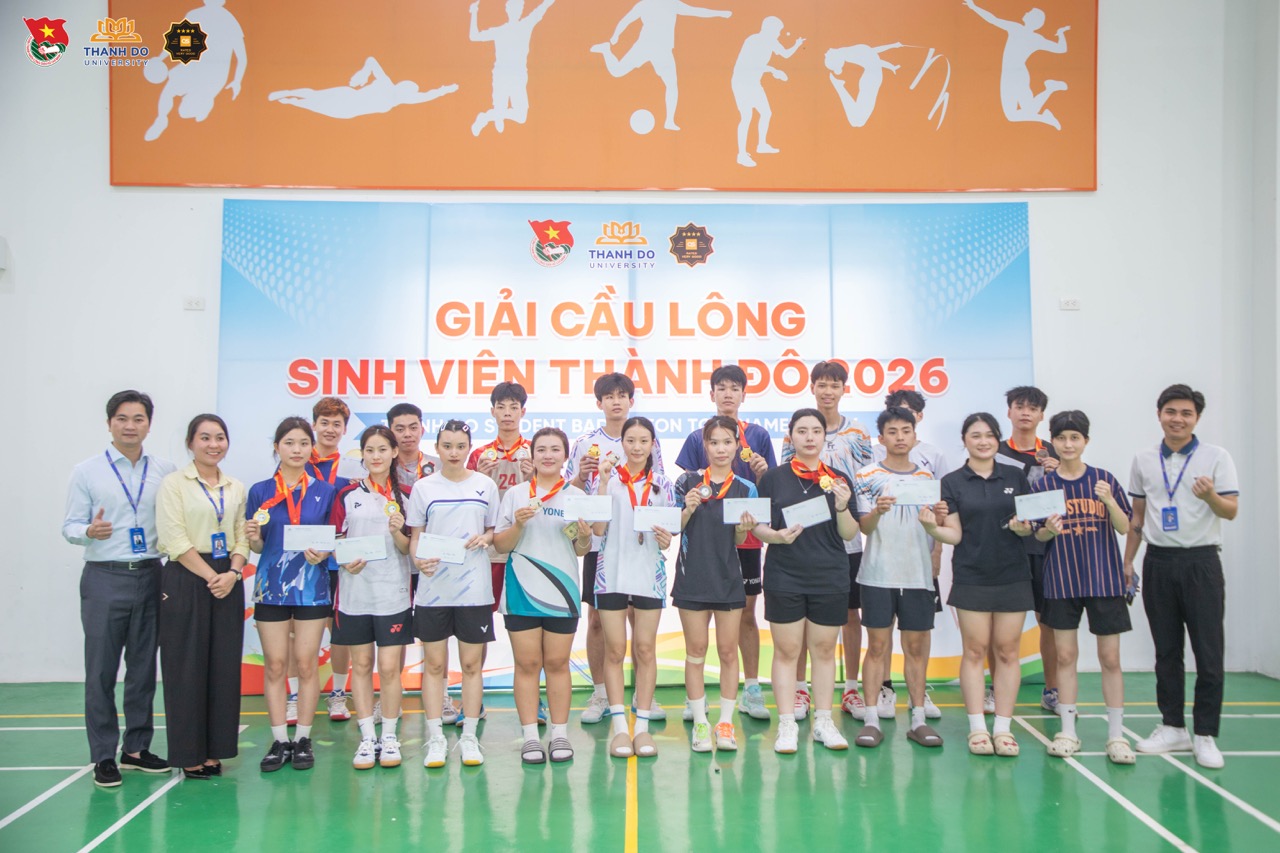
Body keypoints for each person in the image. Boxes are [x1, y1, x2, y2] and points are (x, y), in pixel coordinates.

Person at [62, 390, 176, 786]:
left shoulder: (165, 470)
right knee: (101, 670)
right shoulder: (87, 471)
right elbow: (69, 526)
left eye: (138, 418)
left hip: (152, 574)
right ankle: (102, 755)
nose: (130, 426)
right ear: (109, 423)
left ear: (149, 424)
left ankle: (136, 749)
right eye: (122, 418)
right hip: (105, 576)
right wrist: (88, 531)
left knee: (143, 668)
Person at [1126, 385, 1238, 769]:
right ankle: (1173, 726)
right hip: (1158, 562)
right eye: (1170, 411)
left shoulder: (1216, 457)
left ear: (1197, 418)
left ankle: (1205, 734)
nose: (1177, 419)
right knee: (1167, 652)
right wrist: (1128, 562)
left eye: (1186, 413)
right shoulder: (1143, 459)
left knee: (1209, 653)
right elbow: (1137, 517)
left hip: (1201, 562)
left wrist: (1210, 497)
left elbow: (1231, 510)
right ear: (1159, 414)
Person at [921, 413, 1034, 757]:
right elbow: (955, 534)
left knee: (1007, 651)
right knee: (974, 651)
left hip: (1013, 575)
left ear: (997, 439)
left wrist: (1025, 528)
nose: (983, 441)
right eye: (975, 435)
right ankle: (978, 729)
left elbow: (1029, 524)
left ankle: (1003, 728)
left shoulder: (1016, 476)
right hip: (971, 575)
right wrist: (932, 528)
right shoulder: (953, 482)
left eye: (989, 435)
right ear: (965, 440)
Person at [1032, 411, 1135, 763]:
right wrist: (1048, 530)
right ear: (1053, 442)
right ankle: (1068, 732)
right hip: (1062, 580)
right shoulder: (1043, 486)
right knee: (1065, 657)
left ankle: (1116, 736)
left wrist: (1109, 501)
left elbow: (1124, 526)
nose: (1068, 444)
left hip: (1104, 581)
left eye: (1075, 437)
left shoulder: (1104, 480)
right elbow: (1037, 534)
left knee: (1111, 659)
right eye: (1061, 438)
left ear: (1085, 441)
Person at [674, 364, 775, 722]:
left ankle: (751, 688)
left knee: (746, 614)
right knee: (699, 638)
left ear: (744, 394)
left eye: (735, 388)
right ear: (712, 393)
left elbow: (768, 489)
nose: (728, 394)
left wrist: (762, 473)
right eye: (722, 388)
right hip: (705, 540)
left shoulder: (759, 435)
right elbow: (688, 487)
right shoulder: (696, 437)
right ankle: (696, 700)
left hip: (745, 537)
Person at [566, 373, 667, 724]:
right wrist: (583, 475)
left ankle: (642, 693)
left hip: (639, 544)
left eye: (622, 395)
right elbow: (570, 491)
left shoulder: (648, 439)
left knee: (640, 623)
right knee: (598, 620)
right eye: (609, 396)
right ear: (599, 403)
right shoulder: (585, 443)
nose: (616, 401)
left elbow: (657, 489)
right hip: (600, 543)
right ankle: (600, 694)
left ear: (631, 401)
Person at [757, 408, 859, 753]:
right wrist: (776, 536)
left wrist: (842, 507)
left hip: (829, 576)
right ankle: (787, 724)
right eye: (802, 431)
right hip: (784, 575)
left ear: (824, 437)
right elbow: (758, 527)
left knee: (824, 651)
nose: (810, 437)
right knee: (787, 651)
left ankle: (823, 722)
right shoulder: (773, 478)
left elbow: (849, 534)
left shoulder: (838, 479)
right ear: (791, 437)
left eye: (816, 430)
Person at [155, 414, 248, 779]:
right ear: (190, 443)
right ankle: (189, 753)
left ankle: (215, 750)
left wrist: (233, 573)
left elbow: (242, 535)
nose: (213, 445)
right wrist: (213, 577)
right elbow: (174, 539)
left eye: (220, 437)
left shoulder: (235, 487)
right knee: (186, 667)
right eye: (205, 437)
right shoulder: (174, 484)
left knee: (223, 668)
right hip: (187, 576)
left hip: (228, 577)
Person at [245, 417, 339, 772]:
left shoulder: (325, 491)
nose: (296, 450)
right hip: (271, 587)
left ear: (311, 448)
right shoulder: (259, 491)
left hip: (311, 587)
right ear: (277, 447)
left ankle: (302, 738)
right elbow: (257, 546)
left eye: (303, 443)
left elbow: (332, 539)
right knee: (275, 664)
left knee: (306, 663)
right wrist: (254, 537)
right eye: (289, 443)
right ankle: (278, 740)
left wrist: (324, 552)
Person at [493, 427, 591, 764]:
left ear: (565, 456)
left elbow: (581, 549)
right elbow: (501, 545)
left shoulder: (576, 495)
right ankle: (531, 738)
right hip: (521, 590)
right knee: (527, 664)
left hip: (563, 592)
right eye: (541, 450)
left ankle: (560, 734)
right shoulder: (516, 494)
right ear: (532, 456)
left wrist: (585, 536)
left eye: (555, 449)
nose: (548, 455)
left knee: (557, 664)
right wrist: (518, 525)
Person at [782, 361, 872, 721]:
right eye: (822, 384)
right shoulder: (796, 432)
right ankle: (800, 689)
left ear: (844, 389)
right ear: (812, 388)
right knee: (803, 619)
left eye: (835, 385)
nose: (828, 391)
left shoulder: (858, 434)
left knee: (850, 613)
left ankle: (850, 688)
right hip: (806, 538)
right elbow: (788, 483)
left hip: (845, 538)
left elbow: (866, 481)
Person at [407, 420, 499, 768]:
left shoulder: (485, 485)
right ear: (437, 448)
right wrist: (419, 559)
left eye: (461, 446)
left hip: (474, 590)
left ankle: (470, 738)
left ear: (469, 448)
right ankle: (435, 740)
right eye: (447, 446)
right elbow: (416, 536)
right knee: (434, 665)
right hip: (433, 591)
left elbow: (492, 530)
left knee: (472, 665)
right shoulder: (423, 488)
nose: (454, 453)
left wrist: (485, 539)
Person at [852, 407, 946, 749]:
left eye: (906, 431)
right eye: (892, 432)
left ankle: (918, 719)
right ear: (881, 438)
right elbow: (864, 527)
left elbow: (936, 528)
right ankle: (872, 719)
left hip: (917, 575)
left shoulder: (927, 479)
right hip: (877, 574)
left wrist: (938, 519)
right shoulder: (866, 476)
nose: (900, 437)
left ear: (915, 435)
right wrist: (877, 511)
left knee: (916, 648)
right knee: (877, 647)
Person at [330, 426, 413, 770]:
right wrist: (344, 560)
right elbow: (336, 542)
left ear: (394, 452)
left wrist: (397, 532)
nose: (376, 456)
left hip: (393, 594)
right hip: (355, 594)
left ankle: (389, 736)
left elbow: (410, 549)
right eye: (369, 450)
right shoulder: (347, 494)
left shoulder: (408, 495)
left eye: (382, 449)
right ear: (362, 455)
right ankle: (367, 738)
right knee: (361, 666)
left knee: (390, 668)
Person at [673, 416, 758, 752]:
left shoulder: (746, 488)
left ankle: (725, 723)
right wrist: (687, 509)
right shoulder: (687, 482)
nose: (721, 449)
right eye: (714, 442)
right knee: (695, 652)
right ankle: (700, 723)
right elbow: (674, 529)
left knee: (727, 651)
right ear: (704, 446)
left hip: (728, 579)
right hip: (692, 577)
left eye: (727, 442)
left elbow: (738, 539)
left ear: (737, 446)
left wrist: (743, 529)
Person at [591, 416, 675, 758]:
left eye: (644, 441)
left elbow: (669, 535)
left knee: (645, 649)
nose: (637, 447)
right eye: (631, 441)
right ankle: (619, 730)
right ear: (621, 444)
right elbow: (597, 530)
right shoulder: (606, 480)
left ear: (653, 444)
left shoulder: (663, 484)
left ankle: (641, 728)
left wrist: (667, 539)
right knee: (614, 650)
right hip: (610, 573)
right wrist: (602, 482)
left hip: (648, 574)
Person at [870, 389, 949, 721]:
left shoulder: (932, 458)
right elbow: (864, 518)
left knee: (918, 635)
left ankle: (919, 693)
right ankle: (883, 689)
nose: (900, 434)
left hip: (919, 561)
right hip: (882, 563)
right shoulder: (871, 460)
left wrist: (937, 550)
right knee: (880, 635)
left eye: (909, 419)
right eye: (894, 420)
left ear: (918, 422)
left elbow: (942, 510)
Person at [467, 382, 539, 726]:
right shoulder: (479, 455)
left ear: (523, 412)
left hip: (525, 551)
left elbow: (551, 494)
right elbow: (464, 499)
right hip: (487, 552)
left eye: (514, 407)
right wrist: (476, 478)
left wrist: (534, 478)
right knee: (477, 627)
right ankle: (473, 700)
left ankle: (536, 701)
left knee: (531, 627)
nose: (508, 413)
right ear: (492, 411)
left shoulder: (536, 452)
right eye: (501, 407)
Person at [997, 385, 1060, 714]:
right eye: (1019, 406)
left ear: (1041, 415)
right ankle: (995, 688)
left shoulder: (1054, 452)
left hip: (1045, 547)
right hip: (1006, 547)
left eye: (1032, 408)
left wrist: (1057, 475)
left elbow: (1069, 496)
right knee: (999, 623)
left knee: (1048, 622)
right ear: (1009, 411)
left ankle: (1052, 690)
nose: (1025, 413)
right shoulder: (994, 451)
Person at [386, 401, 450, 722]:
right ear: (390, 432)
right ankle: (390, 698)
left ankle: (444, 695)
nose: (407, 434)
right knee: (394, 634)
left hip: (432, 563)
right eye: (399, 429)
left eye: (413, 427)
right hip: (395, 562)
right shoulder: (381, 466)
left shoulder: (440, 465)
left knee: (435, 635)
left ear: (423, 429)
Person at [306, 396, 364, 724]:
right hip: (306, 558)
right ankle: (296, 695)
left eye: (337, 424)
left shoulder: (352, 466)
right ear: (314, 424)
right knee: (300, 631)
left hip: (338, 560)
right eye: (324, 422)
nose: (330, 429)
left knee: (339, 630)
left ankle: (338, 693)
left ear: (344, 429)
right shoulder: (298, 460)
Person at [590, 0, 732, 131]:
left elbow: (695, 11)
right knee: (617, 71)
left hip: (662, 50)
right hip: (644, 46)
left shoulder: (671, 3)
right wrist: (615, 36)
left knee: (672, 84)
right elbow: (626, 20)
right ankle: (606, 50)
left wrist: (720, 13)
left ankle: (669, 121)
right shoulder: (645, 4)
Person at [963, 0, 1071, 130]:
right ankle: (1050, 92)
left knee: (1018, 114)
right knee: (1018, 113)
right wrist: (1061, 34)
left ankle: (1049, 98)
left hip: (1015, 75)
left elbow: (993, 19)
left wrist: (974, 7)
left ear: (1032, 19)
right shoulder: (1034, 37)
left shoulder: (1017, 29)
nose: (1026, 12)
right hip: (1013, 74)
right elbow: (1061, 48)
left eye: (1029, 12)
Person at [468, 0, 556, 136]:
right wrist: (474, 12)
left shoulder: (525, 25)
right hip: (502, 76)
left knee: (520, 116)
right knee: (500, 121)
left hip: (517, 77)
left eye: (519, 8)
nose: (516, 11)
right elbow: (474, 36)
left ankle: (486, 117)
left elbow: (542, 8)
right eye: (514, 8)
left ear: (521, 10)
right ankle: (492, 117)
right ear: (508, 10)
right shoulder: (502, 30)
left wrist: (474, 12)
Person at [267, 56, 457, 119]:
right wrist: (363, 74)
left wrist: (445, 90)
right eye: (409, 89)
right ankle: (290, 95)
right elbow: (372, 61)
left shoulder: (397, 97)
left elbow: (427, 95)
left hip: (347, 108)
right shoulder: (387, 85)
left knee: (313, 102)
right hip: (347, 100)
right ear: (402, 86)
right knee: (315, 97)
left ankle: (290, 100)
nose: (409, 93)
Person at [731, 16, 803, 167]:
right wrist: (773, 70)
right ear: (769, 29)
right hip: (741, 82)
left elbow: (785, 54)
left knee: (766, 113)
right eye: (778, 31)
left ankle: (761, 145)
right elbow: (750, 65)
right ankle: (741, 154)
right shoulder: (753, 41)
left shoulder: (772, 42)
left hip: (754, 83)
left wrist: (797, 45)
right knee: (747, 116)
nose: (779, 34)